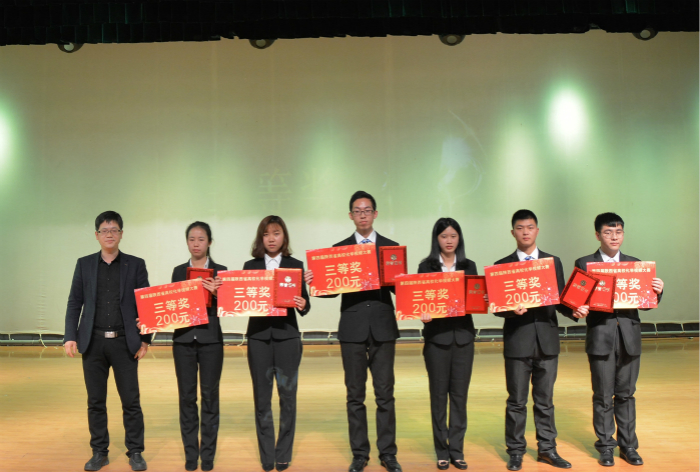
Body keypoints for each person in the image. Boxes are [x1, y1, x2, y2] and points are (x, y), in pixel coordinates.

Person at [305, 191, 402, 472]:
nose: (362, 215)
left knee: (385, 394)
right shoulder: (339, 250)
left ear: (375, 214)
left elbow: (400, 289)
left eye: (367, 210)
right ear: (350, 216)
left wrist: (404, 280)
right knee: (355, 395)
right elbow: (329, 291)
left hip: (383, 327)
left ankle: (388, 453)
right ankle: (360, 453)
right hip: (352, 329)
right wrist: (314, 280)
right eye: (357, 211)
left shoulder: (391, 248)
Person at [572, 212, 664, 467]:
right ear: (597, 235)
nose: (614, 237)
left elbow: (645, 304)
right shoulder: (585, 263)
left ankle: (628, 446)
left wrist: (658, 291)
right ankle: (605, 446)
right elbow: (575, 298)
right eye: (608, 232)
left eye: (618, 232)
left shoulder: (636, 264)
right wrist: (577, 308)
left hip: (629, 338)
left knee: (626, 394)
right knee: (602, 395)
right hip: (601, 336)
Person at [63, 211, 151, 472]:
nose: (109, 234)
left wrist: (145, 340)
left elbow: (145, 304)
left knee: (131, 401)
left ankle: (135, 451)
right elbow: (74, 302)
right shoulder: (84, 264)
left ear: (121, 234)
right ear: (97, 235)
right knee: (95, 402)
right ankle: (99, 451)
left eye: (114, 230)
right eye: (104, 230)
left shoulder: (136, 264)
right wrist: (70, 336)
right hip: (93, 343)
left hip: (125, 343)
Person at [492, 210, 574, 471]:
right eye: (520, 228)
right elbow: (497, 307)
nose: (525, 232)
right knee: (516, 401)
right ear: (513, 232)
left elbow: (561, 299)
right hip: (518, 341)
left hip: (547, 341)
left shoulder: (553, 262)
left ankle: (547, 449)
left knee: (545, 400)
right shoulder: (502, 265)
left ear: (537, 230)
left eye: (530, 227)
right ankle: (516, 451)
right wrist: (510, 310)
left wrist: (575, 310)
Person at [244, 216, 311, 472]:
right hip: (258, 338)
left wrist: (303, 304)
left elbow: (304, 303)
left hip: (287, 338)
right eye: (266, 234)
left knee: (287, 397)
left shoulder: (295, 265)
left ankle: (283, 453)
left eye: (276, 233)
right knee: (262, 399)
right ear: (260, 238)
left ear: (284, 237)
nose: (271, 239)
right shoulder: (250, 266)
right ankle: (266, 454)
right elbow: (241, 299)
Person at [417, 218, 477, 471]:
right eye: (444, 236)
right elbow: (419, 300)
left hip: (463, 338)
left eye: (453, 236)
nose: (449, 240)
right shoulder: (426, 267)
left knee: (460, 397)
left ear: (459, 238)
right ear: (436, 239)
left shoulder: (469, 266)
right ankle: (442, 450)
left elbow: (475, 299)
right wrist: (422, 313)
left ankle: (457, 450)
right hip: (437, 340)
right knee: (439, 396)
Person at [171, 222, 226, 472]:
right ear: (187, 242)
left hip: (211, 340)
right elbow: (173, 306)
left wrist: (216, 294)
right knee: (186, 397)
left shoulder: (221, 271)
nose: (196, 243)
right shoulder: (178, 271)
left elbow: (229, 306)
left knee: (210, 397)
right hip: (183, 340)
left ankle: (208, 455)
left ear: (209, 242)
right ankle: (191, 454)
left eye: (201, 239)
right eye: (192, 239)